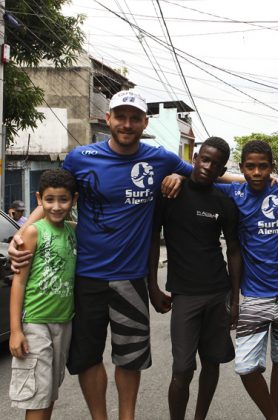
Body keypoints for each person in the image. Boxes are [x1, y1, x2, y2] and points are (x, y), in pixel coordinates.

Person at [9, 90, 192, 420]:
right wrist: (20, 236)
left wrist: (180, 174)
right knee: (88, 357)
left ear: (144, 123)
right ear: (108, 120)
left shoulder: (161, 158)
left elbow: (210, 174)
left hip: (131, 278)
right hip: (85, 277)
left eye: (134, 118)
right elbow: (51, 200)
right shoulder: (81, 157)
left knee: (130, 357)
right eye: (120, 116)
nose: (127, 124)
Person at [214, 140, 278, 420]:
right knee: (245, 365)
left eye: (263, 166)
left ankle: (273, 414)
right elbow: (198, 175)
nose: (257, 172)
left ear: (272, 167)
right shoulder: (234, 192)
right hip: (254, 295)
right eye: (250, 167)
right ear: (242, 168)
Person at [148, 137, 242, 420]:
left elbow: (234, 252)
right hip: (185, 295)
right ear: (196, 157)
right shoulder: (170, 191)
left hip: (218, 292)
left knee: (212, 362)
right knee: (183, 369)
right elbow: (153, 241)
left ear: (221, 169)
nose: (207, 166)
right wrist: (152, 286)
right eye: (204, 159)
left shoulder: (224, 200)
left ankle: (200, 417)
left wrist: (235, 300)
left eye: (215, 164)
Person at [9, 169, 78, 420]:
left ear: (74, 200)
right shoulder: (33, 232)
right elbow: (19, 283)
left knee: (49, 391)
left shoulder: (74, 231)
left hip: (63, 323)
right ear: (39, 199)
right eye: (50, 200)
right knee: (37, 394)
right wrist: (16, 330)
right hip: (36, 323)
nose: (57, 206)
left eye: (63, 199)